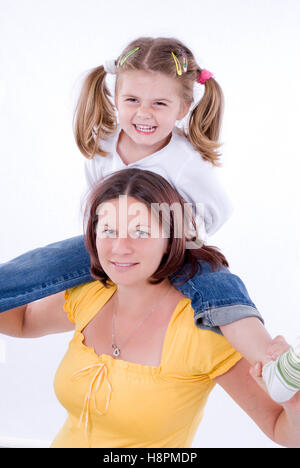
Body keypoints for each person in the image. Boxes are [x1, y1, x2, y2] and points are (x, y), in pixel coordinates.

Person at [0, 36, 299, 403]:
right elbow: (96, 203)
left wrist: (174, 239)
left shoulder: (186, 160)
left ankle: (273, 362)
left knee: (223, 290)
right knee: (44, 263)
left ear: (183, 107)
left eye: (160, 103)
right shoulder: (105, 145)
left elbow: (218, 209)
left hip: (176, 251)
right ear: (115, 99)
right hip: (113, 244)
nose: (144, 114)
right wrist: (107, 239)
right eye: (132, 101)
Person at [0, 168, 299, 448]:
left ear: (170, 239)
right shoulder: (92, 294)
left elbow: (280, 429)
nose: (120, 247)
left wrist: (293, 402)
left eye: (140, 232)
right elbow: (22, 320)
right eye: (108, 230)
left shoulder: (201, 329)